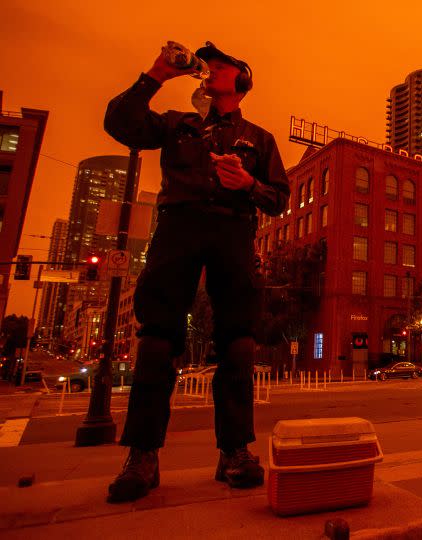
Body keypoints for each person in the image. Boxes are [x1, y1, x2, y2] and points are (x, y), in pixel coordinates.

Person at [103, 42, 289, 503]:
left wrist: (248, 184)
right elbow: (119, 122)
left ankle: (234, 452)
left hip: (233, 232)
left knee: (239, 341)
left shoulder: (260, 139)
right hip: (179, 226)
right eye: (210, 65)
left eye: (222, 64)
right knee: (157, 338)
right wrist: (155, 75)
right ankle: (142, 456)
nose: (212, 69)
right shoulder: (175, 124)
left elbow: (279, 199)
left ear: (241, 80)